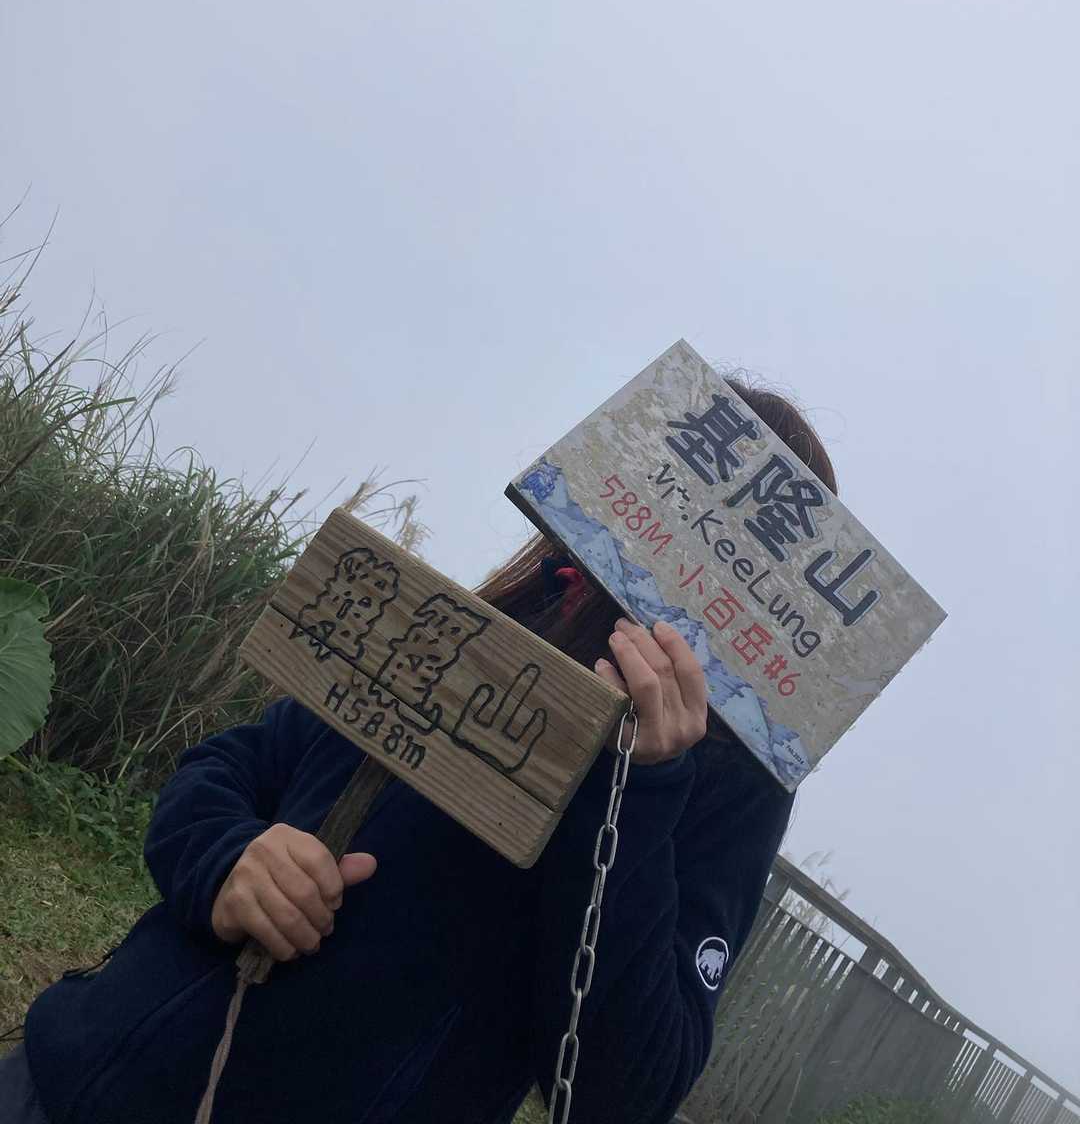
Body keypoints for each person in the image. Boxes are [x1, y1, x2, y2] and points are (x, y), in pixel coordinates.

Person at [1, 380, 837, 1124]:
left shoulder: (733, 777)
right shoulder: (499, 614)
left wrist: (644, 788)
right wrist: (229, 859)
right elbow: (228, 768)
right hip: (64, 1072)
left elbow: (624, 1090)